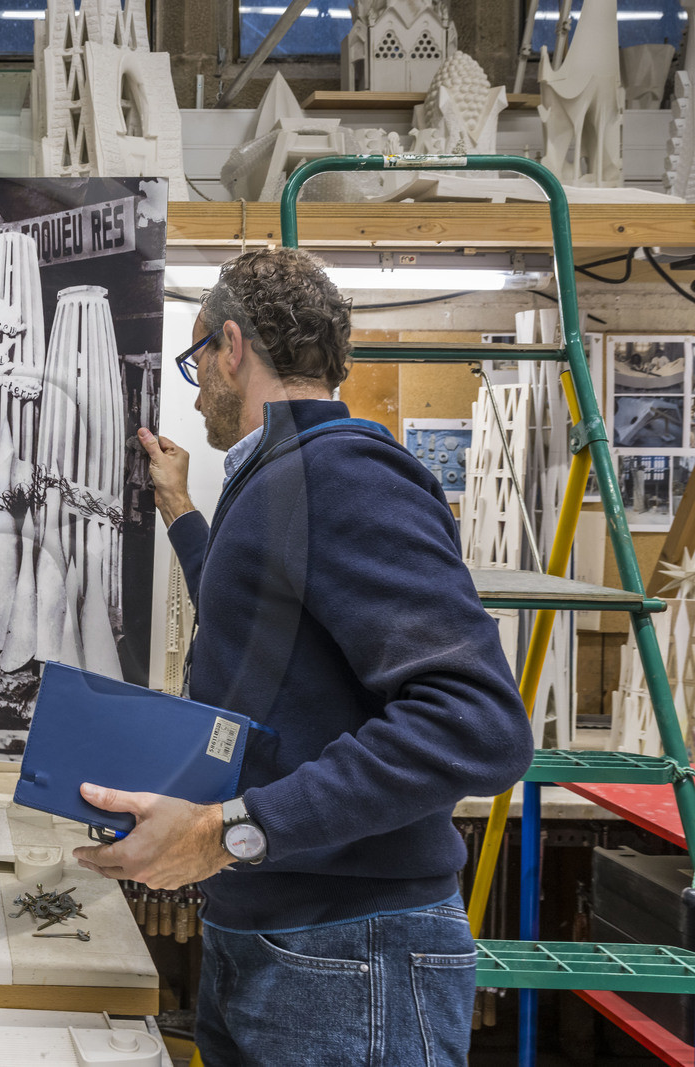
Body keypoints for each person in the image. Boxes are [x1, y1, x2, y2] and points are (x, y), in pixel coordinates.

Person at [70, 247, 533, 1065]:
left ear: (233, 347)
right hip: (294, 943)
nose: (198, 383)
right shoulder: (287, 475)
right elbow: (266, 618)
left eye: (197, 357)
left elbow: (477, 725)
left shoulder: (345, 472)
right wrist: (181, 511)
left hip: (351, 958)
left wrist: (231, 831)